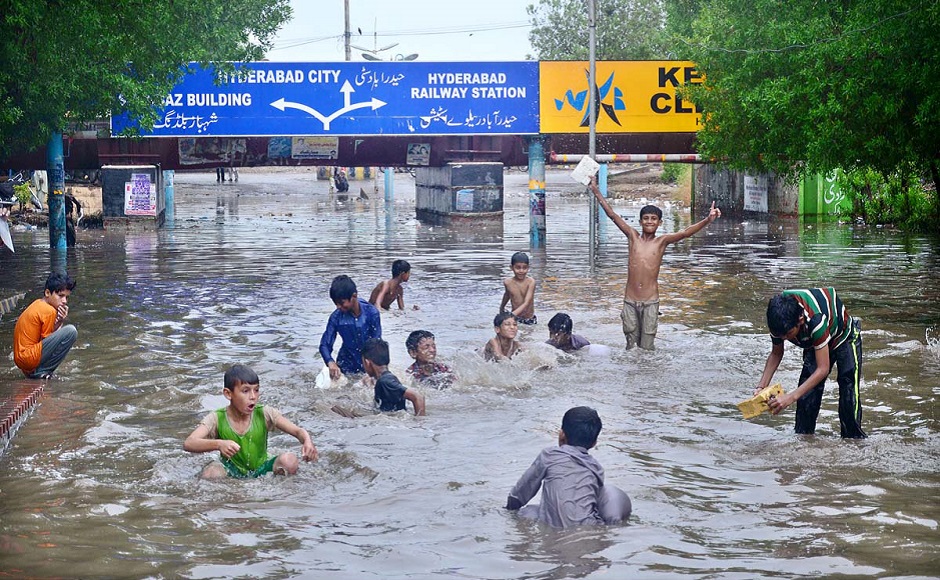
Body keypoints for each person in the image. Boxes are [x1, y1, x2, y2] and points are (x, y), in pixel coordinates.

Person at [589, 176, 720, 349]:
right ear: (640, 221)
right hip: (630, 300)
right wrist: (596, 191)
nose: (649, 221)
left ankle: (648, 374)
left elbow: (685, 233)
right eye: (646, 218)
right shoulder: (632, 237)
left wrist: (707, 220)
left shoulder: (661, 242)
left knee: (647, 347)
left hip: (650, 301)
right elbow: (612, 215)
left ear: (659, 223)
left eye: (653, 219)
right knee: (631, 346)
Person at [755, 288, 866, 438]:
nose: (784, 339)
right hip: (815, 342)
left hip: (843, 336)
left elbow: (823, 369)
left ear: (800, 321)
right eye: (780, 336)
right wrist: (761, 387)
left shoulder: (815, 320)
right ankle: (804, 440)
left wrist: (790, 397)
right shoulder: (779, 320)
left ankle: (853, 442)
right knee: (807, 396)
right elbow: (776, 353)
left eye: (788, 335)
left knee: (848, 391)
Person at [506, 406, 632, 528]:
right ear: (594, 443)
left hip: (555, 531)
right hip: (591, 529)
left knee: (528, 511)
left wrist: (509, 510)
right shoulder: (596, 468)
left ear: (561, 434)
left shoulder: (549, 456)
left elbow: (520, 493)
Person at [183, 364, 318, 478]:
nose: (253, 397)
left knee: (289, 460)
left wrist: (307, 441)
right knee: (211, 473)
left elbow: (297, 431)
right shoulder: (216, 418)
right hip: (231, 470)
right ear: (228, 394)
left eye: (256, 390)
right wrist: (219, 444)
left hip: (262, 468)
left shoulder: (265, 413)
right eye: (245, 391)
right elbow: (189, 443)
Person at [13, 272, 78, 379]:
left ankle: (37, 372)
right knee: (71, 331)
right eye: (60, 296)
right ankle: (41, 372)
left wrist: (60, 321)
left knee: (67, 332)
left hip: (23, 360)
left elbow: (45, 341)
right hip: (28, 358)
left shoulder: (39, 303)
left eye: (66, 297)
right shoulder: (49, 310)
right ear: (47, 293)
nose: (64, 301)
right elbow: (48, 343)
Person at [319, 275, 382, 379]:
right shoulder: (336, 317)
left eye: (341, 303)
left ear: (354, 296)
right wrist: (330, 362)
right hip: (345, 365)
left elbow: (377, 343)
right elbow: (325, 345)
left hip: (367, 365)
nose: (338, 307)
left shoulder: (372, 313)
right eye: (336, 303)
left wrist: (374, 368)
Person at [362, 338, 426, 415]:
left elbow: (417, 397)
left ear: (367, 362)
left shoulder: (385, 382)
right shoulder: (385, 379)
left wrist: (420, 422)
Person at [500, 251, 537, 324]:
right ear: (511, 267)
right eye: (518, 268)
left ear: (528, 268)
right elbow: (507, 295)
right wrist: (501, 308)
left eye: (524, 268)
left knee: (529, 334)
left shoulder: (531, 282)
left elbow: (526, 303)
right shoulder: (508, 282)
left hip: (529, 319)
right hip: (516, 319)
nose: (521, 271)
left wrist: (511, 315)